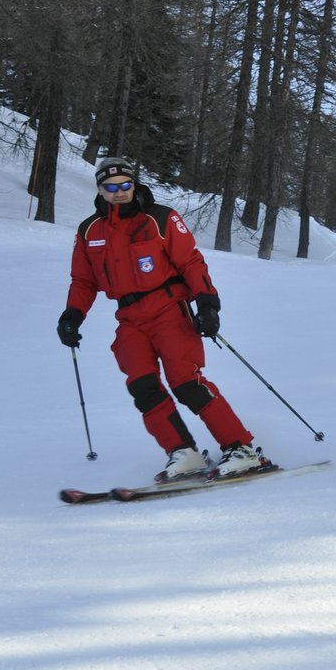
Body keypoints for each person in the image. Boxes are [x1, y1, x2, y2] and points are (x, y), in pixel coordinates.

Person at [56, 158, 270, 481]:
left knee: (186, 383)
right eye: (111, 187)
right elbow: (83, 281)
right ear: (100, 190)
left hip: (169, 309)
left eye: (125, 185)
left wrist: (207, 304)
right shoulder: (90, 231)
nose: (119, 192)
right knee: (143, 387)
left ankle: (241, 447)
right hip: (129, 318)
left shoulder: (160, 218)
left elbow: (192, 263)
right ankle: (183, 452)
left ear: (133, 184)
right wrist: (72, 315)